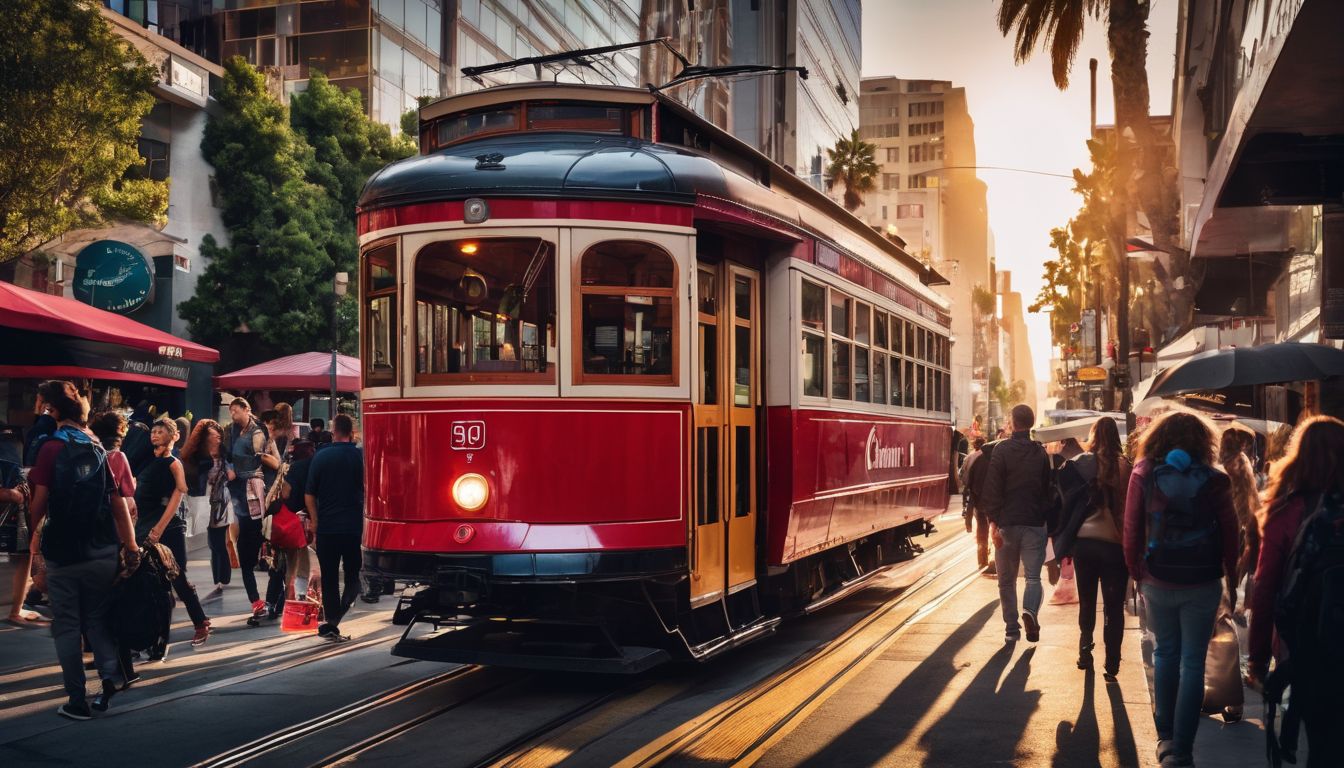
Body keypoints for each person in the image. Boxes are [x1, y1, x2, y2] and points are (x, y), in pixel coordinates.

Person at [1123, 411, 1238, 768]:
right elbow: (1232, 532)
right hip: (1202, 581)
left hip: (1157, 578)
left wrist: (1136, 573)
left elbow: (1130, 530)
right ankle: (1183, 750)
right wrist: (1229, 577)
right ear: (1205, 442)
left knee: (1165, 654)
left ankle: (1165, 739)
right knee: (1192, 662)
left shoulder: (1142, 473)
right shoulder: (1216, 478)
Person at [27, 381, 141, 720]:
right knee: (95, 618)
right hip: (102, 550)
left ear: (54, 410)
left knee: (66, 625)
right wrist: (131, 546)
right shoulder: (96, 446)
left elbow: (39, 506)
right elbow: (118, 502)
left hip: (64, 552)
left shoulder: (50, 448)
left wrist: (34, 544)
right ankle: (109, 678)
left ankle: (77, 699)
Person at [1246, 416, 1344, 768]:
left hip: (1309, 649)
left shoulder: (1287, 510)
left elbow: (1266, 586)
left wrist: (1257, 657)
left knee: (1323, 744)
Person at [1054, 418, 1132, 679]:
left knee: (1087, 601)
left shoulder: (1081, 463)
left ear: (1094, 435)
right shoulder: (1126, 467)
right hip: (1115, 547)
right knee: (1113, 606)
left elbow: (1062, 496)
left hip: (1084, 544)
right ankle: (1112, 665)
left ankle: (1085, 650)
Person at [135, 419, 210, 655]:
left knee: (175, 578)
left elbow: (178, 496)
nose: (155, 435)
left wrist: (158, 529)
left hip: (168, 528)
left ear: (174, 436)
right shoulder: (147, 461)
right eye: (153, 431)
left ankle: (199, 623)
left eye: (161, 431)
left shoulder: (173, 463)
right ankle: (149, 637)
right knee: (150, 583)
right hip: (144, 526)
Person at [980, 404, 1052, 643]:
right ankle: (1030, 612)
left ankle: (1012, 629)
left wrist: (993, 522)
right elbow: (1047, 490)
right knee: (1033, 577)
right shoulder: (1040, 452)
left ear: (1012, 422)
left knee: (1006, 581)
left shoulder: (1001, 451)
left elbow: (992, 488)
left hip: (1007, 524)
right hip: (1034, 523)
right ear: (1031, 423)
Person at [305, 414, 364, 641]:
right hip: (353, 527)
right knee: (352, 576)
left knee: (329, 578)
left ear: (333, 431)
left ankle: (332, 621)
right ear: (351, 432)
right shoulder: (360, 457)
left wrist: (315, 521)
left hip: (328, 527)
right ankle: (335, 618)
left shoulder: (321, 456)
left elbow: (309, 493)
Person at [226, 398, 279, 624]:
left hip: (257, 496)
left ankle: (272, 602)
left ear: (247, 409)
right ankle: (258, 602)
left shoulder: (258, 433)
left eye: (236, 411)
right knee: (247, 557)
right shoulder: (231, 431)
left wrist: (238, 468)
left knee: (272, 554)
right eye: (231, 412)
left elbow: (267, 461)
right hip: (240, 497)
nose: (233, 416)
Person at [262, 438, 317, 620]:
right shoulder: (317, 465)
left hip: (289, 522)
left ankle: (275, 604)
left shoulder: (294, 468)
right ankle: (302, 601)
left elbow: (285, 492)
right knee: (306, 566)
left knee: (281, 565)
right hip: (311, 521)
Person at [181, 420, 233, 600]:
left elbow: (231, 474)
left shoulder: (224, 453)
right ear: (205, 437)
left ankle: (222, 579)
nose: (218, 437)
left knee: (218, 542)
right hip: (203, 501)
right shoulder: (197, 456)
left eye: (219, 434)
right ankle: (217, 579)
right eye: (214, 434)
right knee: (212, 543)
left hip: (221, 502)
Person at [2, 430, 42, 625]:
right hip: (12, 511)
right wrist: (14, 494)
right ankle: (15, 611)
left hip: (14, 514)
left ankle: (16, 610)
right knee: (24, 556)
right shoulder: (10, 452)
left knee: (25, 556)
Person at [1217, 426, 1261, 606]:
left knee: (1226, 573)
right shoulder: (1241, 461)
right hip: (1239, 524)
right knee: (1232, 573)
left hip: (1225, 524)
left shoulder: (1222, 464)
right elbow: (1250, 496)